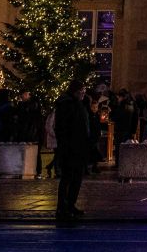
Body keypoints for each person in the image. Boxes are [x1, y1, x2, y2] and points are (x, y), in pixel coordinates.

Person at [54, 80, 93, 221]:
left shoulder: (78, 103)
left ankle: (70, 204)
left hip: (79, 147)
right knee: (68, 178)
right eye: (82, 92)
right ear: (75, 91)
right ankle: (62, 207)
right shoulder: (67, 104)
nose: (83, 94)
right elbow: (62, 128)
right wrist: (66, 144)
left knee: (77, 177)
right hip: (70, 147)